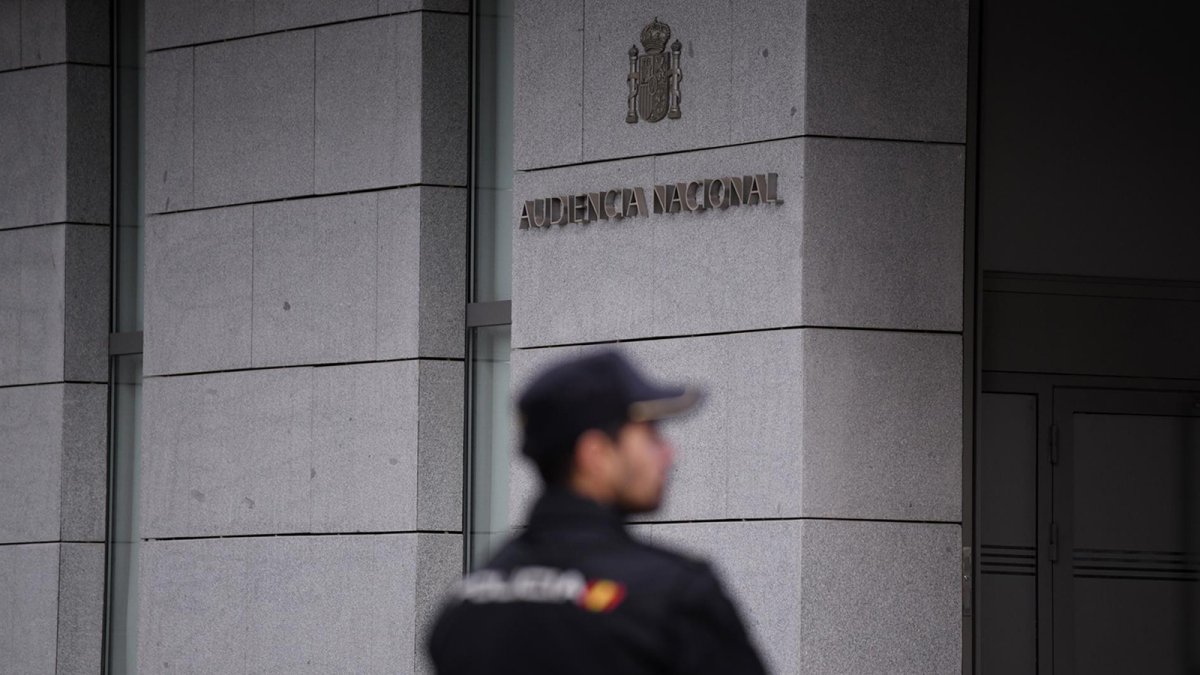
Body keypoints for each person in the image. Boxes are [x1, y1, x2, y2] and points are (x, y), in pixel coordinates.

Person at [427, 350, 767, 674]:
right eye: (650, 435)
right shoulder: (675, 597)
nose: (668, 453)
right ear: (596, 454)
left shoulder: (465, 605)